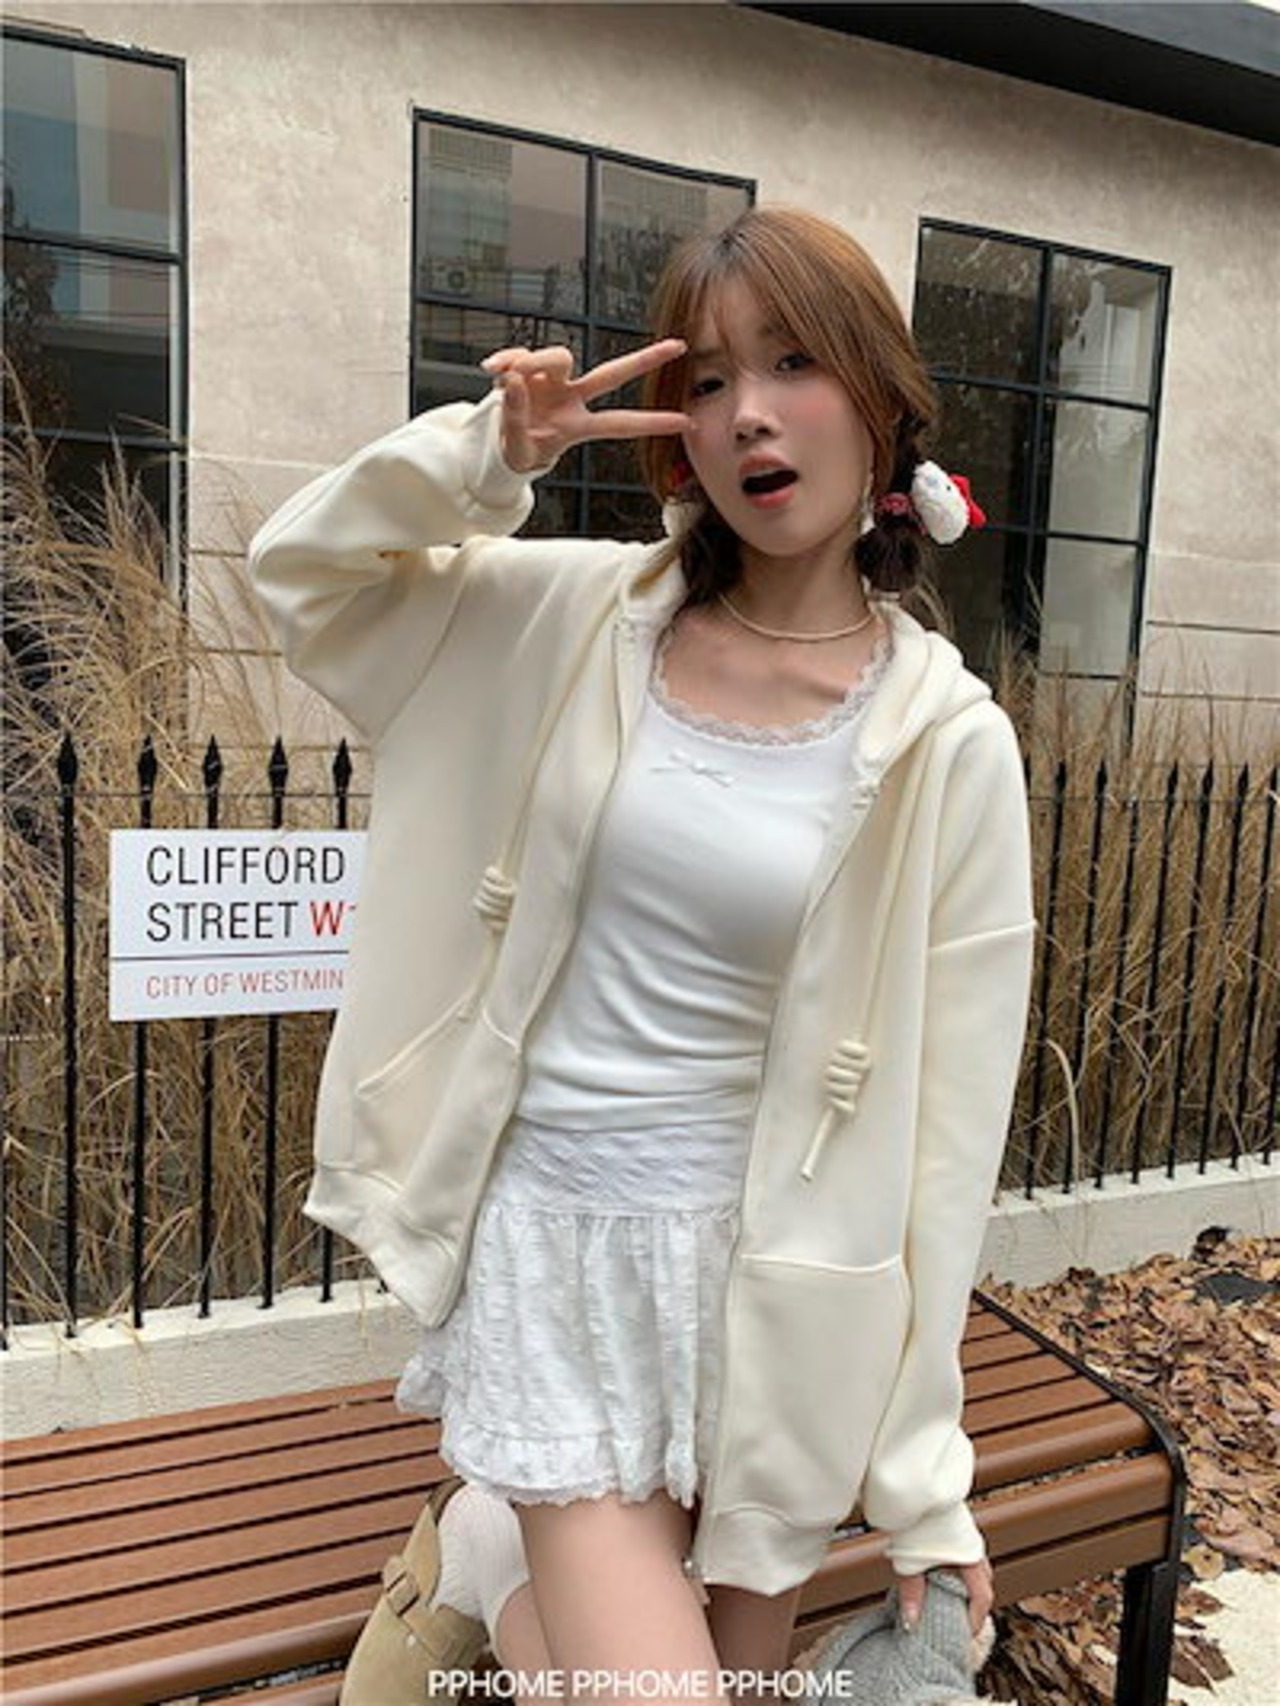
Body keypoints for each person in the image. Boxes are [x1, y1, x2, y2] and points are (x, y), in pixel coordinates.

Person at [246, 204, 1036, 1705]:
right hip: (561, 1242)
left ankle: (489, 1567)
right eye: (714, 378)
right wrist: (488, 460)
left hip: (773, 1302)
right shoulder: (574, 618)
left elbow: (948, 1141)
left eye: (794, 363)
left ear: (881, 399)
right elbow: (304, 576)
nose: (751, 413)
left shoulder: (950, 743)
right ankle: (509, 1550)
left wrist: (926, 1481)